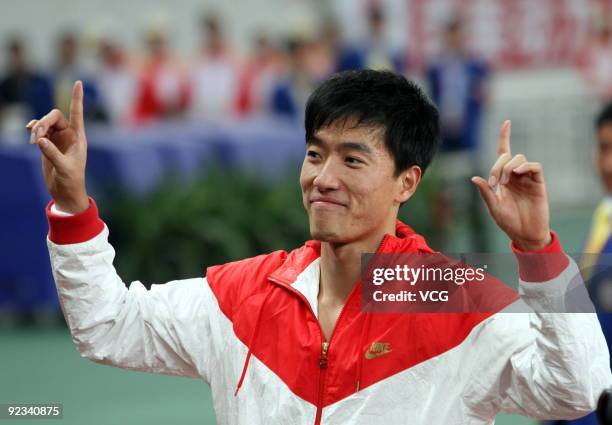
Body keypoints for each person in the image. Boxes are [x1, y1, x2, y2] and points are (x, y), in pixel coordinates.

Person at [29, 70, 610, 424]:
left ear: (407, 182)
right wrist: (73, 207)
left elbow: (577, 390)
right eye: (315, 154)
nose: (323, 178)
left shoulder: (453, 296)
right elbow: (106, 325)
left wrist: (536, 248)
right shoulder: (243, 294)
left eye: (353, 159)